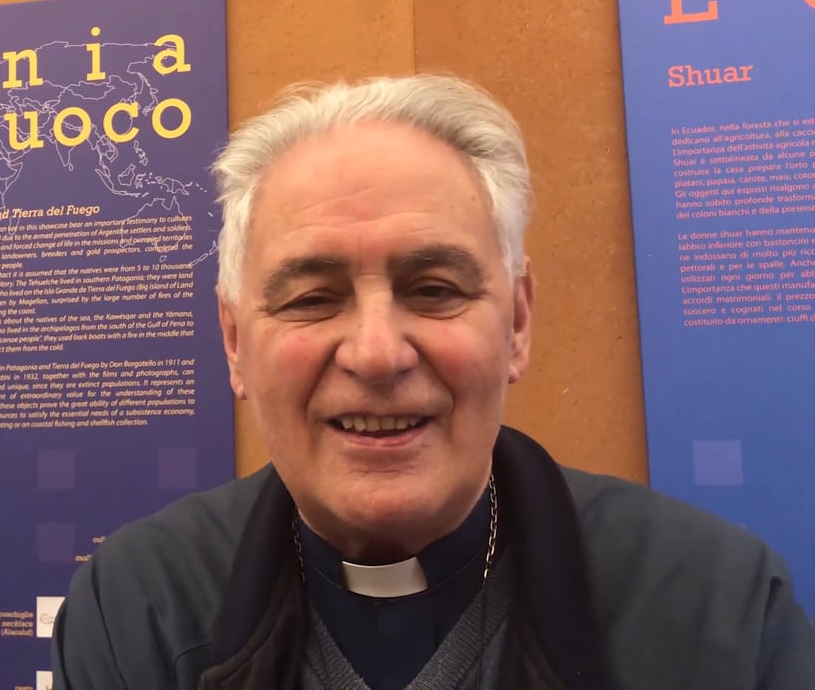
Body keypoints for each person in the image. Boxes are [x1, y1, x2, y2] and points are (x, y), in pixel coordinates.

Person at [49, 75, 815, 689]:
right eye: (312, 299)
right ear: (234, 343)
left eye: (435, 290)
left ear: (517, 322)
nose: (378, 354)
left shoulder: (720, 605)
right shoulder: (139, 605)